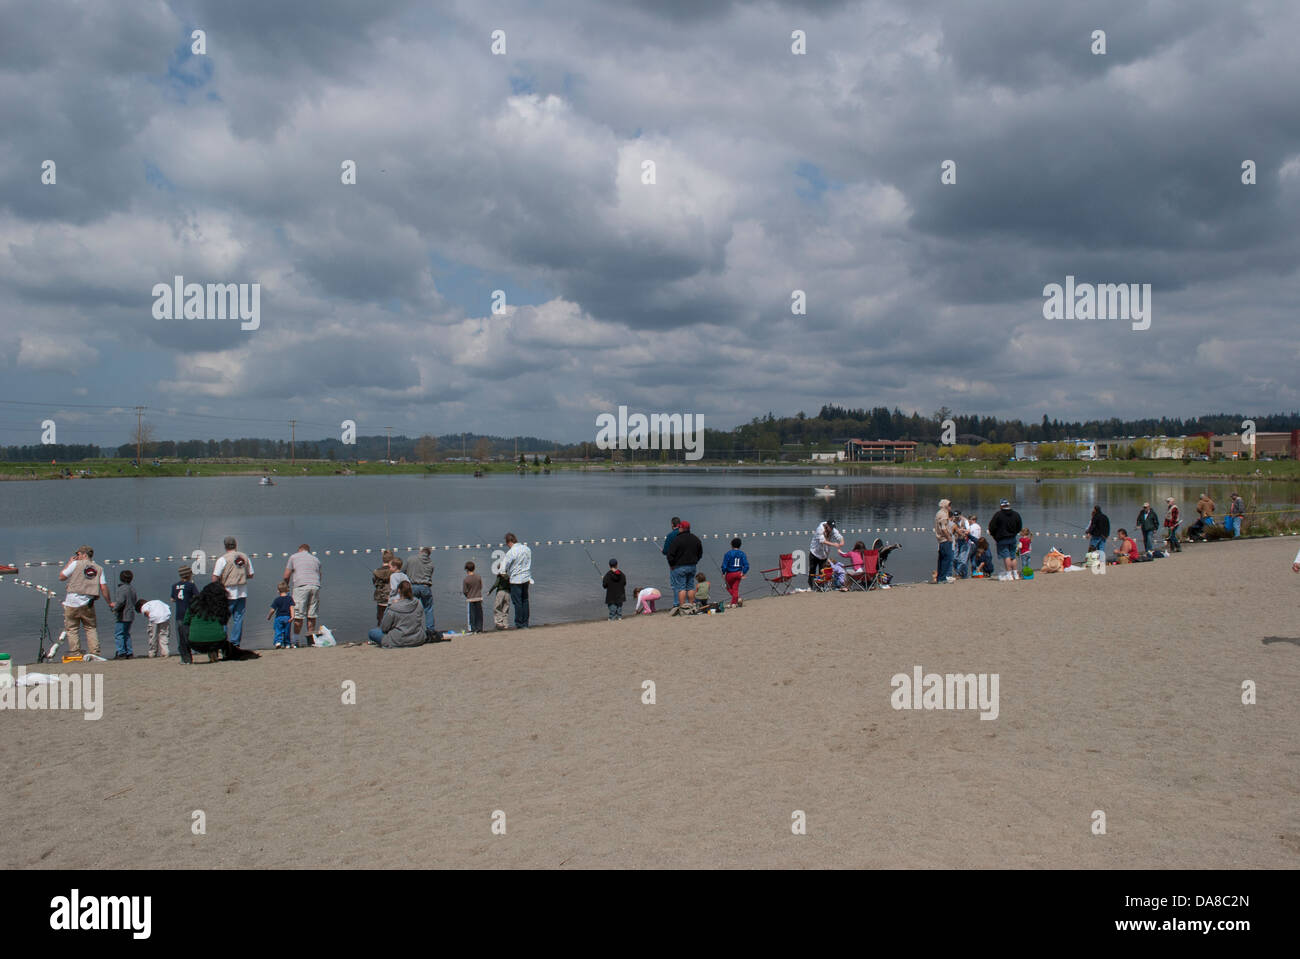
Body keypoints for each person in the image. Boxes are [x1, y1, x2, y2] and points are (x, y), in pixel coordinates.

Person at [184, 583, 261, 662]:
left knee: (186, 631)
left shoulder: (194, 603)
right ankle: (217, 652)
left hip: (195, 643)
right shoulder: (221, 606)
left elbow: (186, 621)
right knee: (219, 635)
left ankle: (186, 658)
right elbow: (223, 623)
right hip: (217, 642)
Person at [58, 544, 111, 658]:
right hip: (88, 603)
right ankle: (94, 653)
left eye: (78, 554)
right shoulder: (98, 568)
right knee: (90, 628)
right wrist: (109, 602)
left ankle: (75, 652)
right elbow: (103, 587)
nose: (76, 556)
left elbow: (62, 577)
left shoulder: (75, 564)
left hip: (72, 602)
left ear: (84, 555)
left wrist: (69, 563)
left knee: (72, 629)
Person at [211, 536, 254, 647]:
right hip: (242, 591)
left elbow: (215, 576)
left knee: (223, 618)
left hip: (227, 592)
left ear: (225, 546)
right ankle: (235, 643)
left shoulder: (222, 559)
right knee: (238, 619)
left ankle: (223, 642)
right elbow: (251, 574)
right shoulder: (244, 557)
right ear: (236, 545)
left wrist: (215, 590)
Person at [367, 580, 426, 647]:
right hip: (417, 638)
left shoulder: (394, 607)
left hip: (398, 640)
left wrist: (390, 605)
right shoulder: (418, 603)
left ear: (399, 591)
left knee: (372, 632)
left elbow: (384, 628)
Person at [282, 544, 321, 641]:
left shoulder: (293, 557)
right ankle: (311, 639)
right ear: (308, 550)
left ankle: (295, 640)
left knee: (298, 615)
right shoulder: (316, 559)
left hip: (301, 586)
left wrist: (286, 587)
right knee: (311, 615)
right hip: (315, 585)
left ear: (299, 549)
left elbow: (286, 576)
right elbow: (320, 575)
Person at [667, 520, 703, 613]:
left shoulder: (677, 539)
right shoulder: (695, 539)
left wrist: (672, 565)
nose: (679, 529)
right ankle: (691, 605)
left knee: (681, 588)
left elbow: (670, 554)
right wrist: (696, 561)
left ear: (681, 528)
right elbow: (700, 553)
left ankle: (682, 607)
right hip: (692, 566)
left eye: (679, 527)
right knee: (691, 587)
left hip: (679, 566)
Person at [501, 533, 533, 629]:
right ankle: (525, 623)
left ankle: (519, 623)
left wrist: (504, 575)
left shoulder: (511, 552)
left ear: (509, 542)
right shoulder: (527, 549)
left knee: (517, 602)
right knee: (525, 600)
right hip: (526, 578)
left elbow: (503, 568)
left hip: (516, 580)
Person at [988, 498, 1024, 580]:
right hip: (1012, 537)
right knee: (1013, 556)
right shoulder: (1016, 514)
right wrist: (1014, 532)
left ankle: (1009, 574)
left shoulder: (998, 515)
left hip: (1002, 538)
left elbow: (992, 527)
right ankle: (1015, 573)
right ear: (1009, 505)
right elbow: (1019, 526)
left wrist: (994, 536)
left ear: (1001, 506)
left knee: (1006, 556)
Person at [171, 565, 198, 663]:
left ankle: (184, 658)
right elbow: (197, 597)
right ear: (189, 574)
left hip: (178, 615)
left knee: (180, 638)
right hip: (188, 614)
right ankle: (192, 654)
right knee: (189, 636)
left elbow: (172, 598)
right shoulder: (191, 585)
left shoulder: (174, 586)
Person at [407, 546, 436, 633]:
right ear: (429, 554)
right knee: (428, 609)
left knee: (411, 609)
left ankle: (412, 629)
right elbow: (430, 575)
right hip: (425, 587)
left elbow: (403, 571)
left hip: (413, 587)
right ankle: (430, 630)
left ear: (420, 551)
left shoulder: (411, 559)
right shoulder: (431, 563)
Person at [809, 520, 846, 589]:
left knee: (823, 571)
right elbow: (822, 541)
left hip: (824, 555)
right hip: (814, 553)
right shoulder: (820, 529)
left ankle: (821, 587)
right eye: (830, 527)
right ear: (827, 525)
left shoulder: (833, 530)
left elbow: (839, 536)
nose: (831, 529)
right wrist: (834, 544)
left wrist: (842, 542)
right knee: (812, 570)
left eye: (832, 527)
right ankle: (811, 586)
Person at [113, 569, 138, 659]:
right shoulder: (132, 589)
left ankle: (121, 652)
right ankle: (129, 652)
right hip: (130, 615)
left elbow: (120, 601)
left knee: (119, 634)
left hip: (122, 615)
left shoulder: (122, 589)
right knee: (126, 634)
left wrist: (114, 609)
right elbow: (135, 600)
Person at [661, 517, 682, 608]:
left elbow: (666, 551)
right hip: (687, 562)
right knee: (687, 584)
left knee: (675, 585)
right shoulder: (685, 533)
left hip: (675, 564)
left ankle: (677, 603)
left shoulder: (670, 536)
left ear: (672, 524)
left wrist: (663, 551)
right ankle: (688, 602)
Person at [267, 581, 295, 648]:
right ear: (287, 590)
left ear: (278, 591)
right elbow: (292, 607)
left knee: (278, 630)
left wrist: (269, 616)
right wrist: (292, 616)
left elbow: (273, 610)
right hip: (287, 617)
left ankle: (278, 642)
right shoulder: (290, 598)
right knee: (287, 631)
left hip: (279, 618)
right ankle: (287, 644)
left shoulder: (277, 599)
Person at [721, 537, 749, 607]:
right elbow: (746, 565)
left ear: (732, 545)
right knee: (735, 588)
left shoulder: (728, 553)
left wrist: (723, 572)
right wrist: (743, 572)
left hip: (730, 573)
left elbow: (724, 565)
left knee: (728, 587)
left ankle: (734, 602)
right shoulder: (742, 554)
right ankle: (736, 600)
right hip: (738, 573)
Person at [933, 500, 955, 584]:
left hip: (940, 540)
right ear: (945, 506)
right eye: (949, 505)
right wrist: (949, 537)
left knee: (941, 559)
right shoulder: (943, 514)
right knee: (947, 559)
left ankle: (940, 578)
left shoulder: (938, 513)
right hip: (944, 539)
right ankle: (942, 578)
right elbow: (943, 528)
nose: (950, 507)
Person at [372, 550, 394, 627]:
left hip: (380, 597)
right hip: (391, 597)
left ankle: (380, 633)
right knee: (392, 618)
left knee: (380, 617)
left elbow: (375, 584)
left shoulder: (376, 572)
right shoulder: (393, 571)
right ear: (392, 560)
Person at [463, 561, 484, 633]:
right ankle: (480, 628)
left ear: (466, 569)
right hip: (478, 597)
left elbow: (465, 591)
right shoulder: (478, 577)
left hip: (470, 598)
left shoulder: (466, 579)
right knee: (479, 614)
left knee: (472, 615)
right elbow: (481, 587)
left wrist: (468, 595)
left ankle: (473, 629)